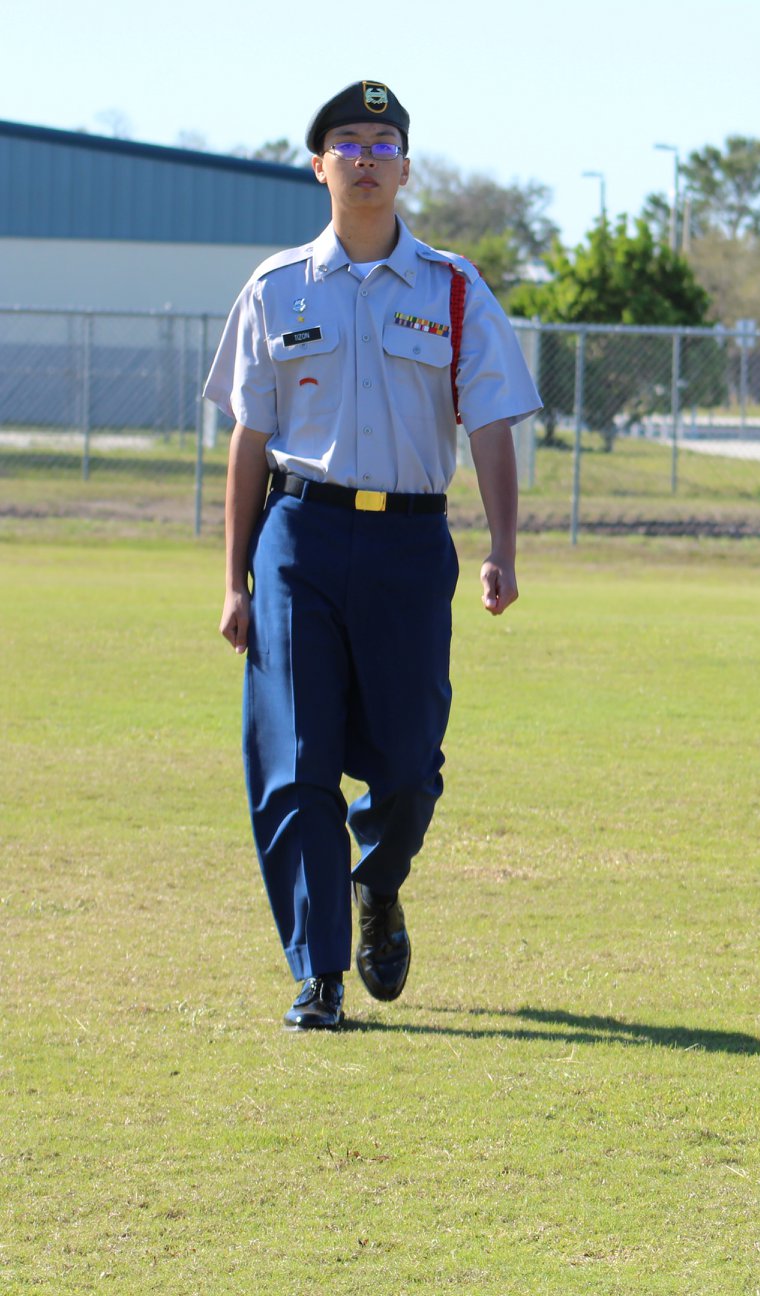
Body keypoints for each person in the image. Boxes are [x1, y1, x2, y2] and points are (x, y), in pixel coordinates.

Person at [206, 81, 540, 1030]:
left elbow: (492, 424)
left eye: (381, 141)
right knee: (295, 761)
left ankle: (378, 882)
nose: (363, 155)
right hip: (299, 536)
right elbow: (247, 440)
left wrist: (502, 549)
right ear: (319, 166)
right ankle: (318, 974)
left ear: (405, 167)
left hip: (408, 538)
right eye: (344, 142)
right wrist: (233, 578)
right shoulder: (275, 289)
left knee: (406, 766)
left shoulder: (454, 287)